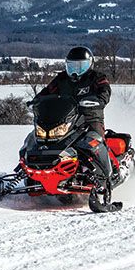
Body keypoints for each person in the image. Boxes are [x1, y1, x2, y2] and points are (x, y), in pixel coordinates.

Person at [34, 46, 114, 184]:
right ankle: (35, 172)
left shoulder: (97, 78)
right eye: (72, 66)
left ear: (90, 64)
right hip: (65, 119)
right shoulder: (61, 79)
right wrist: (37, 101)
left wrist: (100, 99)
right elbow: (47, 92)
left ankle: (106, 176)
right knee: (39, 141)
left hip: (90, 117)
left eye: (81, 66)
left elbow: (104, 91)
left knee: (95, 141)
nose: (76, 70)